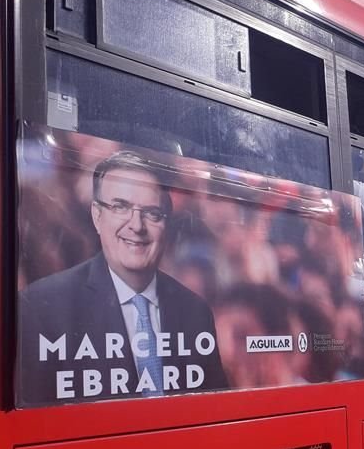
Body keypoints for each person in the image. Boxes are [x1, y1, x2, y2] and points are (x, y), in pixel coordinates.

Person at [18, 151, 228, 404]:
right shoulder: (42, 306)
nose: (136, 226)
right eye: (120, 207)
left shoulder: (195, 311)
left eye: (152, 213)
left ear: (166, 224)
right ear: (97, 216)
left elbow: (211, 412)